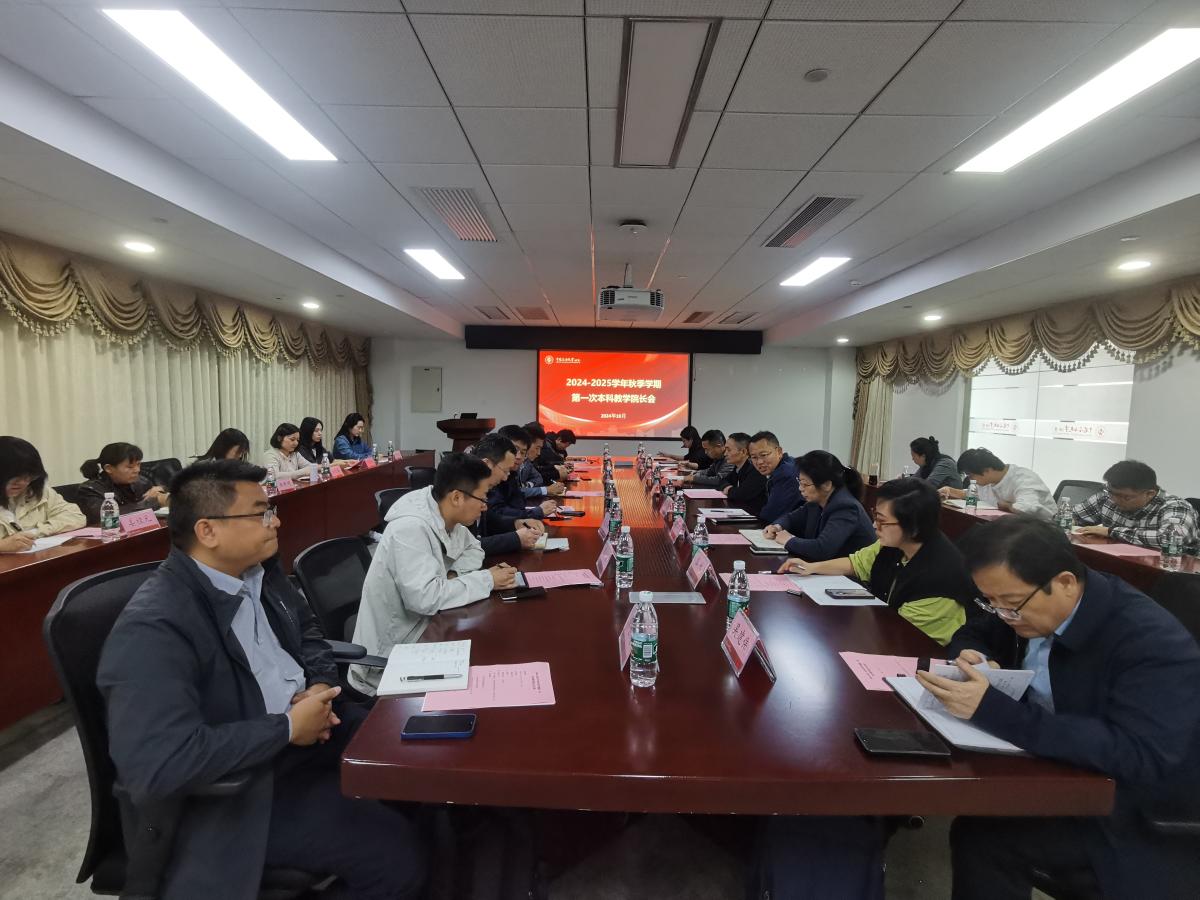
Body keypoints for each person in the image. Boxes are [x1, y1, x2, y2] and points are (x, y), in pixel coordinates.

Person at [96, 460, 425, 899]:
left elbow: (308, 634)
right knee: (394, 858)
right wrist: (287, 728)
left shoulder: (257, 572)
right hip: (245, 786)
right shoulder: (154, 627)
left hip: (305, 730)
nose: (276, 521)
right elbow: (158, 763)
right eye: (261, 513)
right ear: (208, 531)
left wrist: (317, 686)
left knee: (418, 754)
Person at [918, 516, 1200, 900]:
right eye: (991, 602)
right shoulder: (1026, 606)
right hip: (1053, 764)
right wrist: (972, 652)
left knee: (986, 836)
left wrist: (993, 709)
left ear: (1065, 582)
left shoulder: (1150, 642)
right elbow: (975, 630)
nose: (1003, 615)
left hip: (1125, 810)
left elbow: (1139, 753)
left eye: (1011, 605)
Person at [350, 453, 518, 694]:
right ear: (457, 497)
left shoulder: (445, 513)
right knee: (480, 680)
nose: (485, 506)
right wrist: (487, 580)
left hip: (429, 626)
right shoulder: (409, 528)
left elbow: (474, 549)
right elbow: (425, 599)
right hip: (393, 654)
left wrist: (454, 575)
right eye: (482, 497)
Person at [780, 478, 974, 644]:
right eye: (875, 516)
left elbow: (900, 632)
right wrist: (812, 567)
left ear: (914, 527)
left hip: (918, 651)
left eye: (882, 521)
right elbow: (856, 563)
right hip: (887, 636)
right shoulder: (894, 543)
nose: (874, 525)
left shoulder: (940, 578)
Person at [763, 450, 875, 561]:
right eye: (800, 482)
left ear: (827, 485)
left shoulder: (846, 507)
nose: (800, 488)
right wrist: (777, 526)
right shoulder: (816, 502)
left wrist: (789, 540)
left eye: (805, 484)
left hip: (850, 572)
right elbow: (791, 518)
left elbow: (822, 549)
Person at [1071, 459, 1198, 552]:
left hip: (1169, 573)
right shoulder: (1107, 497)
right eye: (1110, 492)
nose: (1114, 500)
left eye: (1126, 497)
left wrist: (1111, 532)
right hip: (1115, 562)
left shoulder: (1176, 507)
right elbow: (1072, 516)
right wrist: (1070, 521)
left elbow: (1169, 539)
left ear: (1149, 493)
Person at [0, 436, 86, 552]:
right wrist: (2, 546)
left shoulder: (36, 490)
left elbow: (76, 517)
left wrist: (36, 532)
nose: (23, 482)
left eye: (29, 476)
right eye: (16, 476)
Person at [469, 433, 543, 555]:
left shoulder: (480, 486)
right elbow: (467, 547)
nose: (505, 477)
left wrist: (516, 523)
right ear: (487, 464)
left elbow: (488, 519)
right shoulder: (463, 488)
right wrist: (516, 539)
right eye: (505, 470)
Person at [939, 448, 1056, 518]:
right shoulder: (988, 481)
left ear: (987, 470)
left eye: (970, 475)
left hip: (1041, 530)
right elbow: (972, 494)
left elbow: (1028, 508)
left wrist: (1008, 506)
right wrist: (950, 490)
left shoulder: (1024, 478)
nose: (970, 480)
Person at [77, 442, 168, 525]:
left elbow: (160, 498)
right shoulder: (89, 490)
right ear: (109, 468)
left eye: (138, 464)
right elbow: (109, 520)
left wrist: (162, 491)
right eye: (130, 467)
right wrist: (153, 502)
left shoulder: (140, 481)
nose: (137, 470)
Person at [494, 425, 558, 519]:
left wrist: (527, 485)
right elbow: (496, 513)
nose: (519, 456)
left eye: (523, 452)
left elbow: (518, 504)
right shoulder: (491, 474)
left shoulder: (512, 473)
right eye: (514, 450)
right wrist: (537, 512)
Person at [748, 431, 802, 524]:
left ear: (779, 452)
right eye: (754, 457)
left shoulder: (785, 474)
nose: (759, 462)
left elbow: (770, 515)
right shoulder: (787, 464)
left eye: (764, 455)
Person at [721, 432, 768, 516]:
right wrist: (731, 489)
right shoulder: (738, 468)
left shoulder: (756, 470)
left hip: (757, 517)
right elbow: (722, 481)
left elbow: (742, 494)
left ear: (743, 451)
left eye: (729, 450)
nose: (725, 454)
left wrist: (729, 490)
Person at [518, 422, 566, 500]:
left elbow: (538, 478)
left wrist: (527, 485)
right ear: (527, 444)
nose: (539, 453)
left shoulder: (526, 461)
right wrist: (545, 490)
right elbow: (516, 492)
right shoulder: (514, 462)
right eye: (537, 448)